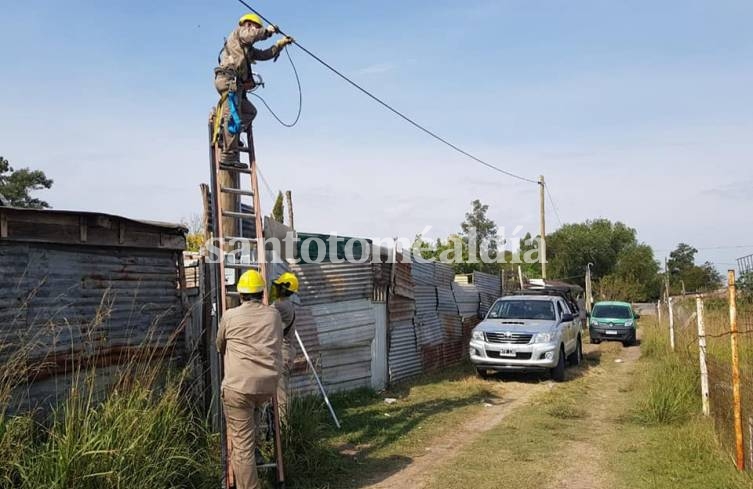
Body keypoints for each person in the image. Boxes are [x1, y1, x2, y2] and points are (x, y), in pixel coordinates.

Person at [216, 269, 282, 489]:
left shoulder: (230, 316)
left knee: (242, 446)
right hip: (266, 387)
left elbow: (219, 346)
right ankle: (256, 458)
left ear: (240, 294)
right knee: (249, 433)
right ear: (262, 293)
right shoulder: (274, 315)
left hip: (238, 389)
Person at [214, 13, 295, 167]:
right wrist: (268, 31)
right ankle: (228, 156)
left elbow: (264, 55)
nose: (257, 31)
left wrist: (280, 44)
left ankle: (228, 136)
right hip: (228, 81)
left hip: (236, 85)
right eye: (256, 28)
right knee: (232, 117)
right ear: (248, 25)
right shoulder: (239, 33)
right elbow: (251, 36)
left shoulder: (247, 49)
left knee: (250, 111)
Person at [271, 271, 299, 418]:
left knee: (281, 398)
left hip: (282, 355)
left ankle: (284, 435)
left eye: (277, 286)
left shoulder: (280, 306)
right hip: (284, 353)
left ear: (283, 288)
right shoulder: (286, 304)